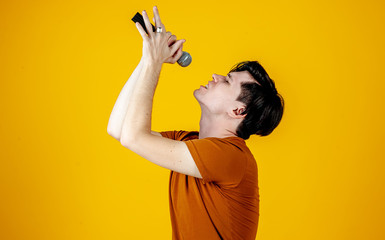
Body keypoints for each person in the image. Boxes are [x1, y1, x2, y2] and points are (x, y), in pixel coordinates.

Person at [107, 6, 284, 240]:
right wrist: (147, 59)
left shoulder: (231, 157)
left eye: (227, 81)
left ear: (237, 110)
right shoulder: (188, 143)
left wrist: (154, 62)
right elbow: (119, 129)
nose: (216, 77)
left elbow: (133, 137)